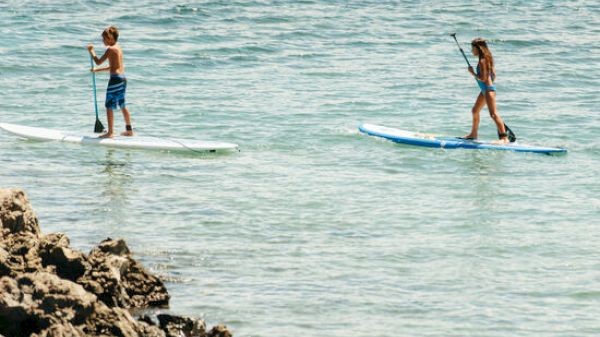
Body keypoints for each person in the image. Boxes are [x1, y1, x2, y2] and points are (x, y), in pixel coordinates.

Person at [87, 26, 133, 138]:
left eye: (104, 39)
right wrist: (97, 71)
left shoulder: (110, 49)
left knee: (109, 106)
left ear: (111, 38)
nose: (103, 41)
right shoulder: (118, 48)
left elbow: (98, 61)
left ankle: (110, 132)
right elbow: (113, 66)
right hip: (122, 79)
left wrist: (91, 51)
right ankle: (129, 130)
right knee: (122, 105)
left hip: (115, 80)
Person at [462, 38, 509, 144]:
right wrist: (486, 83)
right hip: (485, 90)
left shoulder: (483, 61)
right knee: (475, 111)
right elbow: (493, 76)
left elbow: (483, 78)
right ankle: (473, 134)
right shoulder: (486, 59)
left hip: (488, 90)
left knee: (493, 114)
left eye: (473, 48)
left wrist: (472, 73)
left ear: (478, 48)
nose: (471, 51)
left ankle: (504, 138)